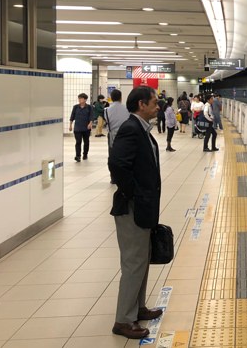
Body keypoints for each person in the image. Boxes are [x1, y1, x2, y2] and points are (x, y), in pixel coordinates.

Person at [108, 86, 164, 339]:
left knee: (142, 259)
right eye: (154, 102)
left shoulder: (142, 130)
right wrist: (134, 194)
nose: (158, 106)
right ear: (142, 104)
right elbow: (117, 164)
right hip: (132, 207)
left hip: (142, 207)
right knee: (133, 262)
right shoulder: (131, 129)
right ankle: (123, 321)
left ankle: (138, 308)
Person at [105, 89, 131, 184]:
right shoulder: (127, 109)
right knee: (125, 155)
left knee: (112, 156)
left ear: (111, 98)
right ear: (121, 97)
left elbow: (107, 123)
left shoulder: (107, 110)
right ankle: (124, 176)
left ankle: (113, 178)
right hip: (125, 135)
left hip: (112, 136)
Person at [69, 93, 93, 162]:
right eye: (79, 98)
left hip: (86, 128)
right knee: (78, 142)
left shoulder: (89, 107)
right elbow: (72, 117)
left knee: (86, 142)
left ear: (85, 99)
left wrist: (90, 123)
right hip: (77, 128)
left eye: (81, 98)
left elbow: (91, 116)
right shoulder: (75, 107)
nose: (79, 100)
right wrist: (70, 125)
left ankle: (85, 154)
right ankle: (78, 156)